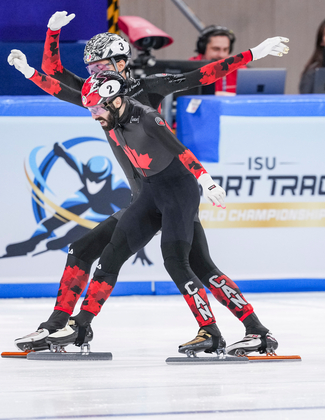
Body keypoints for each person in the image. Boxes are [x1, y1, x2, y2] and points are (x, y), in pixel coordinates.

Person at [8, 10, 289, 355]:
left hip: (171, 191)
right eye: (91, 69)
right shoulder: (95, 94)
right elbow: (53, 77)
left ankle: (241, 330)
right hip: (144, 197)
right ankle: (60, 326)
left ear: (122, 62)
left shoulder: (146, 91)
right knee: (88, 251)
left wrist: (253, 54)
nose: (95, 75)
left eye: (101, 66)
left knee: (188, 264)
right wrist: (51, 34)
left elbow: (201, 74)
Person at [189, 24, 243, 95]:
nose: (221, 55)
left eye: (225, 49)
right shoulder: (190, 70)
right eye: (216, 49)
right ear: (203, 48)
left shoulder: (240, 70)